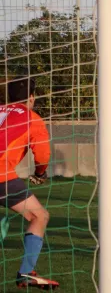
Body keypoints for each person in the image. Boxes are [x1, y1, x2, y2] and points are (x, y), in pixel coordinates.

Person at [0, 78, 59, 289]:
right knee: (39, 215)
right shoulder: (31, 118)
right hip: (0, 175)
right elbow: (42, 153)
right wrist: (40, 173)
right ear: (32, 98)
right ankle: (26, 272)